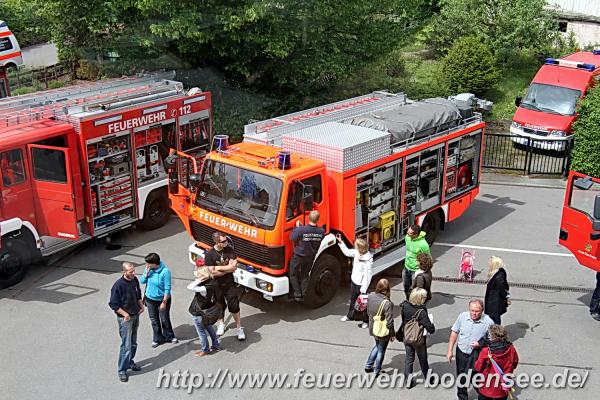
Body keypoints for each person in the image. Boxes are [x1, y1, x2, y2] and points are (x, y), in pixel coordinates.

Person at [447, 299, 495, 400]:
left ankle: (484, 395)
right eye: (472, 310)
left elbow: (493, 340)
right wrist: (450, 350)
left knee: (476, 377)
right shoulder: (462, 316)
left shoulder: (488, 322)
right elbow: (454, 332)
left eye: (477, 311)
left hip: (476, 354)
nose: (473, 313)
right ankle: (462, 397)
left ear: (482, 311)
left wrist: (480, 343)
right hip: (461, 352)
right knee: (461, 376)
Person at [204, 231, 245, 340]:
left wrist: (218, 268)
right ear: (217, 242)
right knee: (219, 305)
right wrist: (227, 269)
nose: (226, 242)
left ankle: (239, 327)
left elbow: (233, 266)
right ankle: (221, 324)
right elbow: (211, 272)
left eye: (226, 239)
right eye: (223, 241)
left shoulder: (229, 250)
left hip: (229, 283)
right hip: (216, 285)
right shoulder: (210, 254)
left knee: (234, 305)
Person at [108, 262, 144, 382]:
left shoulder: (134, 280)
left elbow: (138, 294)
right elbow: (113, 304)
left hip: (135, 315)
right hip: (125, 319)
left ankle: (130, 362)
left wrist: (141, 305)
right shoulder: (118, 286)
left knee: (133, 343)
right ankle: (122, 370)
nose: (133, 273)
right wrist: (125, 314)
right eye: (130, 272)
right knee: (126, 345)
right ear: (124, 272)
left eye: (134, 271)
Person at [397, 288, 435, 385]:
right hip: (418, 340)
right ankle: (429, 379)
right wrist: (432, 324)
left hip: (407, 336)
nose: (426, 298)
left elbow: (404, 320)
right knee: (423, 360)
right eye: (425, 297)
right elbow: (430, 329)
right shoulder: (421, 311)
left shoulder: (404, 306)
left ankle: (408, 382)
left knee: (409, 359)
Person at [140, 252, 178, 348]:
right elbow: (142, 281)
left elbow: (167, 288)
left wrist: (164, 302)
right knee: (154, 320)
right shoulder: (148, 269)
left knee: (164, 318)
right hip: (150, 299)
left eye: (148, 263)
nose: (147, 265)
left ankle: (169, 336)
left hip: (162, 299)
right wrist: (146, 273)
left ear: (155, 263)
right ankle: (157, 338)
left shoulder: (165, 272)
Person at [474, 325, 519, 400]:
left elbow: (478, 367)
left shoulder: (486, 351)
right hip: (503, 385)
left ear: (492, 337)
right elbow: (515, 363)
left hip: (487, 386)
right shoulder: (511, 348)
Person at [337, 234, 372, 328]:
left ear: (360, 248)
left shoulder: (367, 260)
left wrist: (363, 289)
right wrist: (341, 242)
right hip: (354, 281)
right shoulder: (357, 252)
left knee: (363, 304)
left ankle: (366, 321)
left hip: (361, 285)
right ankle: (350, 315)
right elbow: (347, 252)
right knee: (353, 300)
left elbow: (368, 276)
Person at [289, 210, 325, 301]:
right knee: (305, 274)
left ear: (308, 218)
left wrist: (297, 228)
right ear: (318, 219)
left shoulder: (301, 230)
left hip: (298, 256)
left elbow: (292, 238)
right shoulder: (321, 231)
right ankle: (304, 293)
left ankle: (297, 293)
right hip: (310, 257)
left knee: (293, 273)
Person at [187, 265, 221, 357]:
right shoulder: (212, 282)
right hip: (207, 311)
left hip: (199, 313)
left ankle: (205, 350)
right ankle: (216, 345)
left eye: (198, 274)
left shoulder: (203, 288)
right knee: (209, 328)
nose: (196, 275)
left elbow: (189, 287)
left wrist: (199, 280)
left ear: (203, 276)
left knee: (201, 332)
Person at [365, 278, 395, 375]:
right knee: (381, 349)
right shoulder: (387, 303)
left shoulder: (370, 295)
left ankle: (368, 365)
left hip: (373, 326)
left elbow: (368, 311)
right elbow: (389, 322)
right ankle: (377, 370)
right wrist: (392, 334)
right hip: (382, 330)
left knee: (378, 346)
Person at [404, 224, 430, 299]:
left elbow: (427, 259)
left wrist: (423, 271)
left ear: (415, 234)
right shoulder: (408, 238)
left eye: (409, 233)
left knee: (415, 289)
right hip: (406, 267)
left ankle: (415, 302)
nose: (407, 235)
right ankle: (408, 300)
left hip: (415, 271)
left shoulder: (423, 244)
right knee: (406, 287)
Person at [484, 256, 510, 325]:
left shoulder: (498, 277)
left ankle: (497, 333)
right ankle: (495, 332)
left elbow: (502, 289)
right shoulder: (500, 271)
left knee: (495, 319)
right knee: (494, 318)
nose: (489, 263)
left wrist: (506, 296)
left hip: (494, 303)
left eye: (490, 262)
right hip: (494, 301)